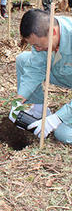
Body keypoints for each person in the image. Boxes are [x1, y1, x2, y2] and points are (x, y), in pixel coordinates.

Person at [12, 9, 72, 143]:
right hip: (64, 72)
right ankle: (39, 109)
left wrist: (58, 118)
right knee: (23, 60)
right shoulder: (42, 31)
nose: (36, 49)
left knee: (63, 133)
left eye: (38, 45)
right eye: (33, 45)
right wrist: (18, 102)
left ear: (53, 32)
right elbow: (34, 69)